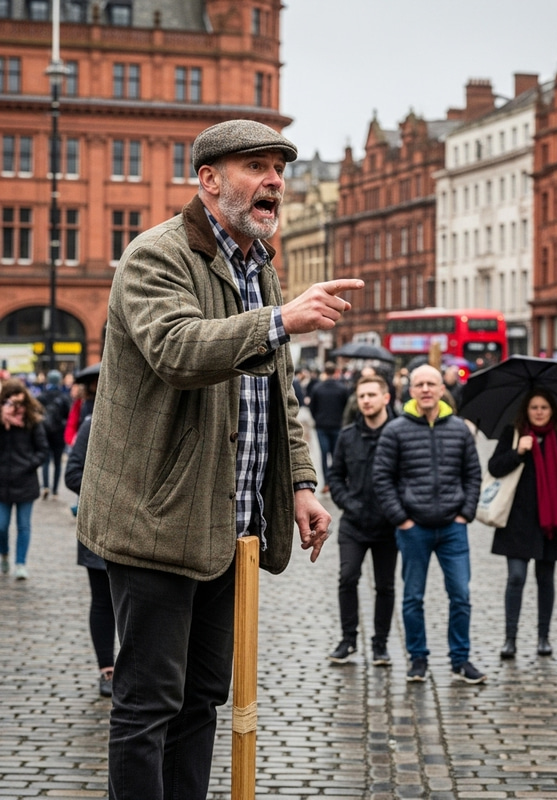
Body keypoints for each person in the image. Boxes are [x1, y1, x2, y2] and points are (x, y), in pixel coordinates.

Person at [75, 118, 363, 800]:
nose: (274, 181)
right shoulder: (158, 254)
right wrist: (278, 321)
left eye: (279, 169)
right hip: (156, 519)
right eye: (256, 167)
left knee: (202, 698)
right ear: (208, 181)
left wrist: (298, 482)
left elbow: (279, 395)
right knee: (149, 703)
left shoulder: (260, 266)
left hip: (231, 526)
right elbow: (176, 348)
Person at [372, 364, 486, 684]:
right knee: (413, 597)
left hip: (453, 527)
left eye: (430, 384)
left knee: (461, 595)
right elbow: (382, 478)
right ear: (411, 391)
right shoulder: (396, 430)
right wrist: (401, 519)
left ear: (441, 390)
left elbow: (473, 474)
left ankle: (460, 660)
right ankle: (418, 658)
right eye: (419, 384)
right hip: (414, 528)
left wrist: (466, 513)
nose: (425, 389)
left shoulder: (460, 429)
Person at [487, 388, 557, 660]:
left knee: (545, 579)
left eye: (544, 407)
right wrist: (518, 452)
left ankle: (543, 637)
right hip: (517, 520)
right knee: (516, 577)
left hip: (551, 520)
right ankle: (510, 639)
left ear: (552, 411)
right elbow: (494, 467)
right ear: (525, 411)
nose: (539, 412)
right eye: (534, 408)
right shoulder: (513, 434)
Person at [327, 374, 398, 665]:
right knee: (348, 578)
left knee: (385, 586)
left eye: (371, 395)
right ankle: (348, 639)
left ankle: (380, 644)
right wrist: (348, 503)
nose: (365, 400)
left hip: (387, 526)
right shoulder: (347, 436)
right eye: (361, 396)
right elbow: (335, 476)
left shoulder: (398, 433)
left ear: (385, 398)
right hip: (354, 524)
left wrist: (395, 508)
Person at [65, 405, 116, 698]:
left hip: (139, 534)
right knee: (103, 602)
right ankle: (107, 670)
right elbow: (72, 474)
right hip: (98, 528)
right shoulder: (92, 423)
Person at [0, 378, 48, 580]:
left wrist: (28, 465)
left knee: (23, 525)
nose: (15, 407)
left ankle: (20, 563)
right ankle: (4, 554)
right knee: (1, 526)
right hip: (1, 482)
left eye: (19, 403)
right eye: (11, 403)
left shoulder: (32, 421)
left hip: (25, 481)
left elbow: (42, 450)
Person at [308, 361, 350, 492]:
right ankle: (336, 481)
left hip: (322, 426)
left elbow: (312, 407)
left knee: (324, 454)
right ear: (335, 372)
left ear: (325, 372)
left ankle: (327, 482)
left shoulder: (317, 388)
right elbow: (346, 407)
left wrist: (317, 418)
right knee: (336, 455)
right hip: (337, 425)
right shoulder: (342, 388)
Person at [38, 369, 71, 499]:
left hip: (44, 433)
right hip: (59, 434)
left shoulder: (41, 396)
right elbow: (69, 416)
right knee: (57, 463)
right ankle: (55, 491)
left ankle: (45, 486)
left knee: (45, 461)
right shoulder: (63, 397)